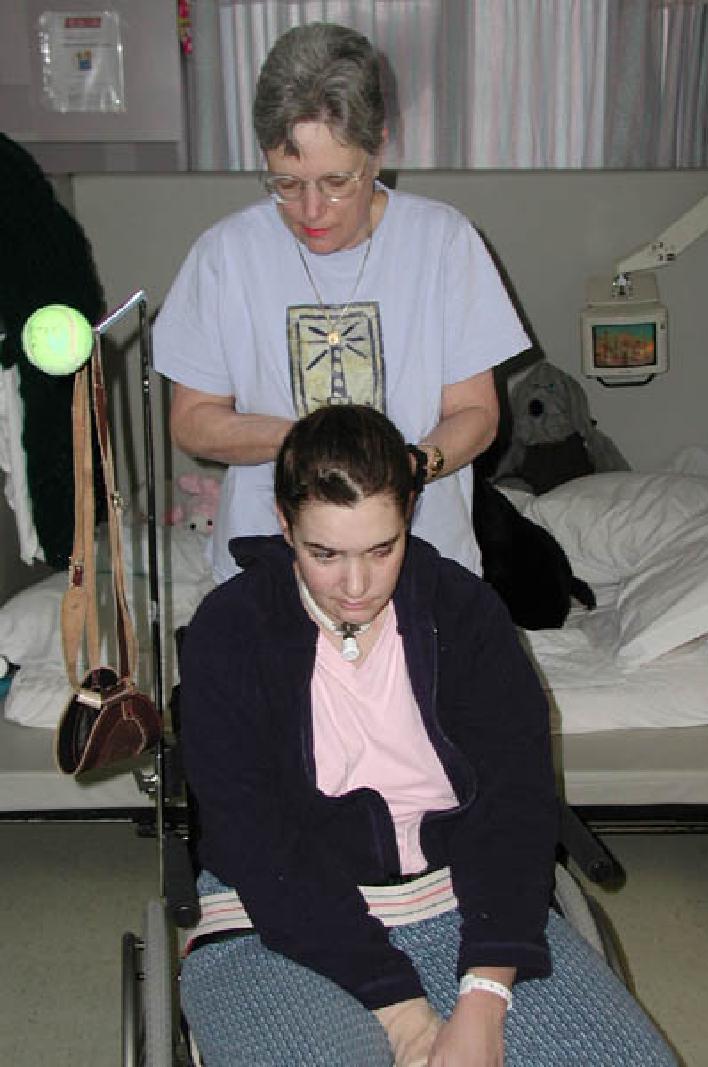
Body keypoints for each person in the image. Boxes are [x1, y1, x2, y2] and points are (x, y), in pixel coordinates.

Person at [177, 404, 678, 1066]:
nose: (355, 585)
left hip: (460, 898)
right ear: (283, 523)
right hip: (275, 918)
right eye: (324, 553)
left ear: (408, 515)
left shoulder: (464, 613)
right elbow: (258, 842)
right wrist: (402, 1010)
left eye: (381, 550)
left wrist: (483, 996)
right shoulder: (230, 631)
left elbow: (513, 800)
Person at [153, 21, 530, 584]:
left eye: (336, 182)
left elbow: (476, 416)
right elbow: (192, 423)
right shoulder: (224, 255)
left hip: (422, 565)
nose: (311, 211)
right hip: (269, 567)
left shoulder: (443, 242)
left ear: (377, 148)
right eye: (285, 183)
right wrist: (313, 449)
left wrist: (404, 468)